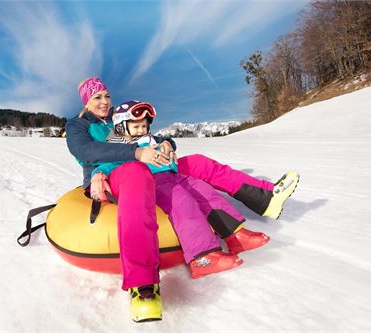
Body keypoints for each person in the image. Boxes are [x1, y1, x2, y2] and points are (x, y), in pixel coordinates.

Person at [66, 78, 299, 323]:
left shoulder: (120, 116)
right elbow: (86, 151)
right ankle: (143, 286)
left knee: (196, 162)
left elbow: (146, 136)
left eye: (106, 96)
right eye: (97, 97)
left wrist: (167, 144)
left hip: (151, 166)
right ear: (86, 101)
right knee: (139, 174)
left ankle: (266, 198)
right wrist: (136, 153)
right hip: (111, 175)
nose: (104, 102)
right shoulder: (78, 125)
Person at [90, 99, 270, 279]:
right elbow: (109, 164)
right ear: (121, 127)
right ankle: (202, 257)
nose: (142, 130)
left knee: (203, 191)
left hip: (173, 176)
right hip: (152, 182)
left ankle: (235, 236)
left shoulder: (151, 140)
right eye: (136, 126)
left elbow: (168, 148)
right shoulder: (120, 147)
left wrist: (168, 150)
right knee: (182, 201)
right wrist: (99, 175)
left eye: (144, 126)